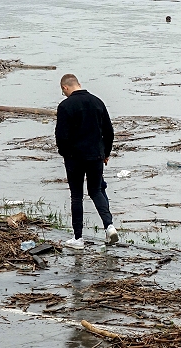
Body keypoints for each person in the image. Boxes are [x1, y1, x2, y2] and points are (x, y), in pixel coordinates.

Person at [54, 73, 118, 249]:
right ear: (79, 84)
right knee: (96, 191)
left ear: (65, 87)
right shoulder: (98, 102)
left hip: (74, 157)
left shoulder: (65, 106)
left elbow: (61, 136)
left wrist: (64, 153)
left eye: (63, 91)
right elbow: (109, 132)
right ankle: (109, 226)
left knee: (76, 196)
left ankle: (78, 238)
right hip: (96, 155)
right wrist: (105, 153)